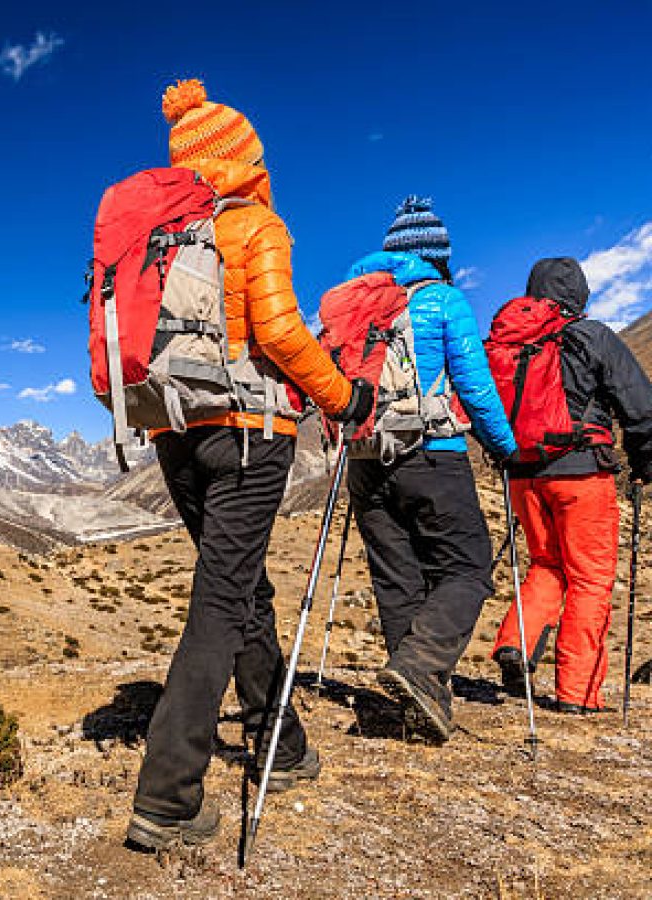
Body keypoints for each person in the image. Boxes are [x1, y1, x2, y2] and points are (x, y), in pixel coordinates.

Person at [125, 79, 373, 851]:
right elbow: (280, 330)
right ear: (244, 160)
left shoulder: (161, 237)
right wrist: (342, 396)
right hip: (247, 431)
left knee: (239, 585)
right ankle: (168, 795)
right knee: (223, 596)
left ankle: (280, 744)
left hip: (173, 433)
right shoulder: (255, 226)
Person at [337, 197, 518, 744]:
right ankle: (419, 667)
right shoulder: (442, 300)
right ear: (437, 255)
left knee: (397, 578)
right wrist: (503, 447)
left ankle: (423, 706)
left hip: (366, 459)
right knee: (467, 565)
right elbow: (476, 389)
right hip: (430, 451)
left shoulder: (352, 303)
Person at [491, 258, 652, 713]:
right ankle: (577, 693)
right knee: (590, 579)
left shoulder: (512, 339)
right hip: (582, 475)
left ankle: (516, 643)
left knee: (547, 564)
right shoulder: (592, 335)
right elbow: (640, 405)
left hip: (524, 477)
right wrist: (644, 463)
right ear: (578, 295)